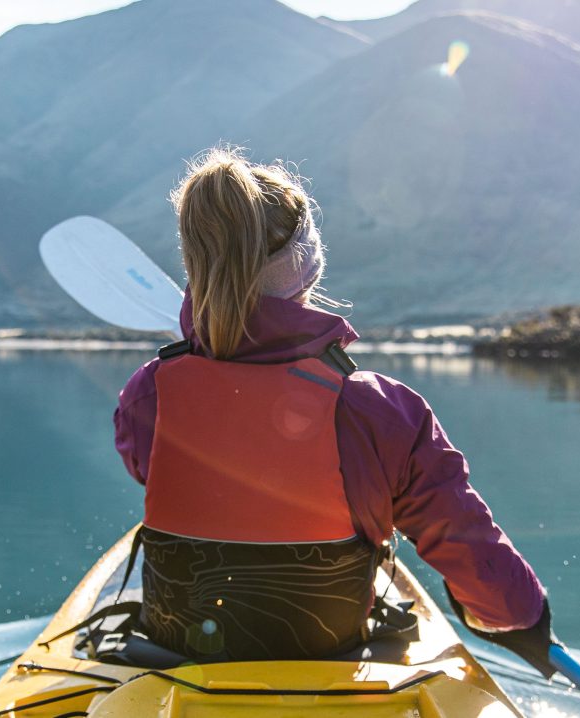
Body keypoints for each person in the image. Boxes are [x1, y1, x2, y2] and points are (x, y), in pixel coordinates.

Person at [113, 147, 556, 676]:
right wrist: (524, 619)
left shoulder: (148, 395)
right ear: (305, 265)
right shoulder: (380, 409)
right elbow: (471, 556)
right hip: (330, 658)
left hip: (181, 654)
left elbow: (152, 468)